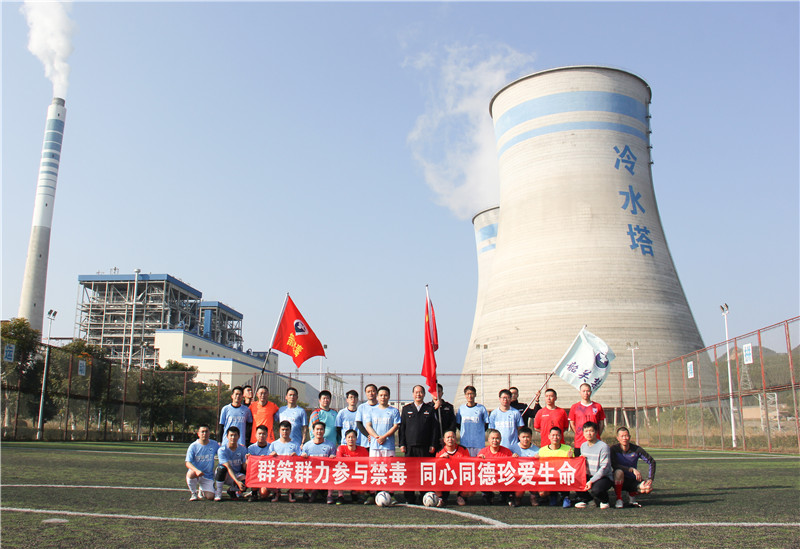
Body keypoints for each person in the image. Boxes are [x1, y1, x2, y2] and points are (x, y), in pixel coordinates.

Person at [399, 384, 437, 505]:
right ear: (413, 394)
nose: (418, 394)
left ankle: (424, 495)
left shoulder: (429, 409)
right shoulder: (406, 409)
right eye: (416, 392)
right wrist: (402, 443)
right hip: (410, 447)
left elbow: (434, 429)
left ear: (424, 394)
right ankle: (409, 497)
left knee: (424, 472)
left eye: (420, 392)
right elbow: (402, 428)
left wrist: (432, 444)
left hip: (425, 447)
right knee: (409, 472)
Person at [610, 426, 656, 508]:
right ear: (618, 438)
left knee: (648, 488)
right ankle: (619, 499)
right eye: (622, 436)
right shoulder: (614, 449)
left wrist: (650, 478)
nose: (624, 438)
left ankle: (632, 494)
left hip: (632, 480)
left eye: (626, 436)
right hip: (619, 479)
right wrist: (631, 469)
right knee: (618, 472)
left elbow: (652, 461)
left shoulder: (636, 449)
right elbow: (614, 464)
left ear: (630, 437)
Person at [574, 422, 613, 509]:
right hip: (589, 475)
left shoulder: (603, 447)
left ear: (596, 432)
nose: (589, 433)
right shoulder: (583, 446)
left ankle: (605, 501)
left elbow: (604, 468)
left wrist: (591, 481)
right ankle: (589, 500)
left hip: (603, 477)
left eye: (591, 431)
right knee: (574, 481)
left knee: (596, 490)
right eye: (586, 431)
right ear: (583, 433)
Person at [477, 429, 517, 506]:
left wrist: (514, 458)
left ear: (501, 439)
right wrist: (479, 460)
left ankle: (505, 494)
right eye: (493, 438)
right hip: (489, 476)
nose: (495, 441)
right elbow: (477, 468)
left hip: (502, 476)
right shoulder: (483, 452)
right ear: (488, 439)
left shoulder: (506, 452)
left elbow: (512, 467)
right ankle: (488, 494)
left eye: (497, 438)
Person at [537, 426, 574, 507]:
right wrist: (536, 459)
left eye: (557, 435)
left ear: (561, 436)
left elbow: (573, 465)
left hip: (563, 476)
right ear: (549, 436)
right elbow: (539, 467)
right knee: (542, 493)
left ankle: (565, 496)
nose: (555, 437)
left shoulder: (568, 449)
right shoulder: (542, 450)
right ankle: (553, 494)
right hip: (549, 476)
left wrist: (571, 458)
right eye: (553, 435)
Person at [301, 421, 337, 504]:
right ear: (313, 431)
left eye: (321, 429)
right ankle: (310, 492)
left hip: (325, 473)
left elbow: (334, 462)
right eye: (317, 429)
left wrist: (333, 457)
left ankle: (329, 495)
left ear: (324, 431)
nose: (319, 431)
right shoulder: (307, 445)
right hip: (312, 473)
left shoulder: (330, 445)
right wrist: (302, 456)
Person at [436, 429, 473, 506]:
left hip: (459, 477)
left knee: (472, 487)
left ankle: (461, 496)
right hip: (445, 478)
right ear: (444, 440)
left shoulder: (463, 450)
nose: (450, 439)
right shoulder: (440, 452)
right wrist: (440, 459)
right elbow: (435, 468)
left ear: (456, 439)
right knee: (433, 479)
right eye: (448, 437)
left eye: (452, 437)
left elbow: (468, 466)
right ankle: (440, 498)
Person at [268, 420, 301, 502]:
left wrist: (296, 456)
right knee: (265, 483)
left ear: (290, 430)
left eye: (287, 430)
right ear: (279, 430)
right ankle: (276, 492)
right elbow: (267, 459)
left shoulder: (295, 444)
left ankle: (291, 492)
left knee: (303, 480)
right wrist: (271, 455)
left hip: (291, 471)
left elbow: (301, 460)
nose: (285, 432)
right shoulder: (274, 444)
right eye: (283, 430)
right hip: (277, 471)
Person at [568, 383, 606, 453]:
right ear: (580, 392)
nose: (586, 393)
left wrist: (596, 434)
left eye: (588, 391)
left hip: (595, 442)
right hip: (580, 442)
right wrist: (579, 433)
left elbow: (601, 423)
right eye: (584, 391)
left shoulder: (597, 406)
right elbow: (572, 423)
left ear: (591, 392)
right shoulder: (575, 407)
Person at [185, 424, 219, 501]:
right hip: (196, 474)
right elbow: (187, 463)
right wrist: (197, 471)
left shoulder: (214, 444)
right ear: (198, 433)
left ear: (209, 433)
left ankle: (201, 489)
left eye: (206, 431)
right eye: (202, 432)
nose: (204, 434)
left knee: (210, 497)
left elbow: (222, 453)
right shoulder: (193, 446)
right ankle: (193, 493)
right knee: (191, 473)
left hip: (207, 475)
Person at [364, 386, 400, 457]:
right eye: (381, 395)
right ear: (377, 397)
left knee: (389, 464)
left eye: (385, 395)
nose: (383, 397)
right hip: (375, 446)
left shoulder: (394, 411)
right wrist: (376, 437)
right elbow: (368, 426)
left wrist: (384, 437)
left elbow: (395, 426)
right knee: (374, 464)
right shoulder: (371, 411)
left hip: (388, 446)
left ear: (389, 397)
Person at [335, 429, 369, 504]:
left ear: (356, 438)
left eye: (353, 437)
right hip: (346, 472)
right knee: (338, 472)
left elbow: (368, 464)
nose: (351, 439)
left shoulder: (363, 450)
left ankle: (358, 493)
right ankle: (340, 496)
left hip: (358, 473)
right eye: (349, 437)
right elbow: (339, 462)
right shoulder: (341, 448)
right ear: (345, 439)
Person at [214, 426, 247, 501]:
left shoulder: (243, 449)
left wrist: (248, 460)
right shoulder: (222, 450)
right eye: (231, 435)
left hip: (237, 474)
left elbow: (244, 466)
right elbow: (228, 467)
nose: (233, 437)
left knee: (247, 479)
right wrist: (237, 481)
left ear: (239, 436)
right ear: (227, 436)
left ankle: (232, 490)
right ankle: (218, 493)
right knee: (222, 468)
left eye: (235, 435)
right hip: (225, 475)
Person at [456, 385, 489, 457]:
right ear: (465, 395)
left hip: (478, 443)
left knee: (479, 461)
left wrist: (479, 432)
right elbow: (458, 424)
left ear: (475, 394)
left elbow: (486, 423)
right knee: (466, 461)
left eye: (472, 393)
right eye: (468, 394)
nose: (470, 396)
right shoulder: (461, 408)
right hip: (465, 443)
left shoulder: (481, 408)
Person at [246, 424, 272, 501]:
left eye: (263, 434)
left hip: (267, 474)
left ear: (267, 435)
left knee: (263, 494)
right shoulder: (251, 448)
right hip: (256, 473)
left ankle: (272, 491)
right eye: (259, 433)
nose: (261, 436)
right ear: (255, 435)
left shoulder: (271, 447)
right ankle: (254, 492)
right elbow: (250, 464)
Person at [431, 383, 457, 452]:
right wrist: (434, 408)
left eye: (439, 391)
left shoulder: (448, 407)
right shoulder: (427, 407)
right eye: (434, 391)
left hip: (445, 441)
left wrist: (446, 437)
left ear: (442, 393)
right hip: (431, 441)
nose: (436, 394)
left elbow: (452, 424)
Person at [355, 384, 378, 448]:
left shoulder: (381, 406)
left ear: (376, 392)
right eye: (368, 392)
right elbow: (359, 424)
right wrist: (368, 435)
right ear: (366, 393)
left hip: (379, 442)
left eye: (373, 391)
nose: (371, 393)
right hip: (365, 443)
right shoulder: (362, 407)